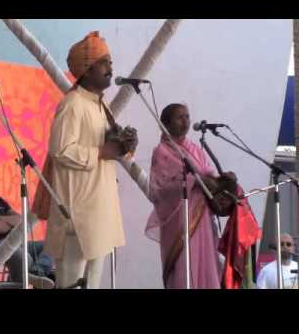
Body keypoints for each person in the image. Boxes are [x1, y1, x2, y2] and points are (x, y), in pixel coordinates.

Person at [41, 31, 137, 289]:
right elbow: (60, 150)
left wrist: (125, 147)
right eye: (104, 62)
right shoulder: (73, 104)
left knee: (93, 282)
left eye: (110, 62)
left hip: (98, 211)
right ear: (87, 68)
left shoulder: (98, 105)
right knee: (72, 282)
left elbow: (108, 147)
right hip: (78, 213)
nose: (111, 67)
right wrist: (100, 152)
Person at [145, 103, 235, 289]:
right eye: (180, 117)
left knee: (205, 263)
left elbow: (208, 175)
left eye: (187, 116)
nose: (185, 121)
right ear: (166, 123)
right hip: (179, 222)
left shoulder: (194, 148)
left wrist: (223, 180)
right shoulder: (161, 151)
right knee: (186, 267)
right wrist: (193, 179)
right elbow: (159, 189)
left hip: (202, 218)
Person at [0, 165, 55, 289]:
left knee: (51, 245)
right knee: (24, 258)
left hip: (14, 242)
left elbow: (20, 220)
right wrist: (4, 222)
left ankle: (36, 272)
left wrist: (0, 219)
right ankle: (31, 278)